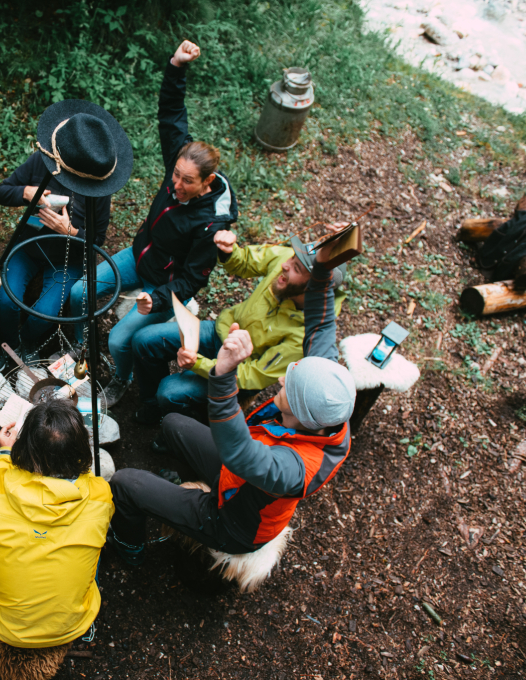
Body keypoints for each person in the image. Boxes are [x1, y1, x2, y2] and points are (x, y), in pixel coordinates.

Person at [106, 231, 355, 566]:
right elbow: (322, 326)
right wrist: (324, 267)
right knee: (174, 423)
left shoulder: (295, 469)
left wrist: (223, 375)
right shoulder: (322, 403)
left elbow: (239, 451)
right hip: (232, 477)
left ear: (299, 410)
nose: (281, 379)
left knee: (124, 482)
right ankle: (180, 483)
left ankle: (128, 549)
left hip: (233, 522)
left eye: (288, 384)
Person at [68, 40, 237, 408]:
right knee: (80, 292)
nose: (175, 185)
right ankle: (82, 348)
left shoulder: (212, 225)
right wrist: (177, 65)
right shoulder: (182, 161)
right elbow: (171, 114)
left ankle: (122, 378)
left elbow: (193, 279)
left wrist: (157, 298)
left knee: (118, 340)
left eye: (186, 182)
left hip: (165, 286)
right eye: (174, 175)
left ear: (207, 183)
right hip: (138, 255)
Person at [131, 226, 347, 429]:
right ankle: (153, 406)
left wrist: (199, 364)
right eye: (292, 256)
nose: (285, 264)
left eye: (297, 268)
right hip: (221, 333)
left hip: (239, 371)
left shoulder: (306, 336)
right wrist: (228, 251)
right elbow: (243, 262)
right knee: (144, 341)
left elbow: (253, 375)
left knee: (169, 393)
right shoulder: (286, 262)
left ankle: (180, 431)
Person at [0, 399, 113, 651]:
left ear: (26, 446)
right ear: (79, 449)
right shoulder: (100, 494)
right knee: (90, 542)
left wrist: (4, 456)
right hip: (74, 624)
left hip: (3, 625)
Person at [0, 152, 112, 370]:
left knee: (46, 313)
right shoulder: (43, 161)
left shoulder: (98, 186)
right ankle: (8, 345)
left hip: (68, 258)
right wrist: (26, 192)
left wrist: (71, 231)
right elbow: (2, 193)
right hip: (28, 246)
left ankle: (27, 340)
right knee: (7, 302)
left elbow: (98, 239)